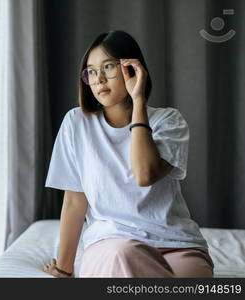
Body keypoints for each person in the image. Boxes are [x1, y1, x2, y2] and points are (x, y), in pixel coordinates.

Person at [42, 30, 214, 278]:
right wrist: (64, 269)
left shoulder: (168, 121)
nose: (99, 79)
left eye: (108, 67)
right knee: (124, 254)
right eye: (91, 71)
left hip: (176, 244)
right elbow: (73, 202)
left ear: (133, 69)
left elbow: (144, 174)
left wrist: (138, 102)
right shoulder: (76, 123)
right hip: (112, 243)